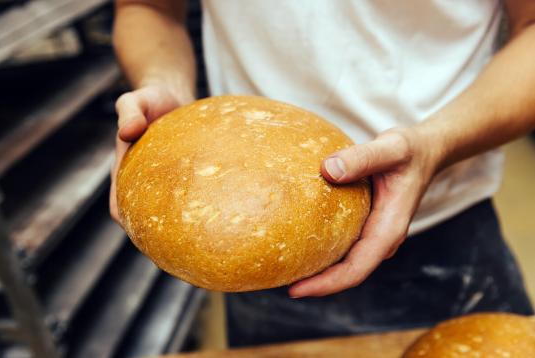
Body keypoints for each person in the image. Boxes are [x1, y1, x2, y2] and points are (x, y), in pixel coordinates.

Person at [111, 0, 535, 347]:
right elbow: (146, 8)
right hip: (269, 255)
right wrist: (163, 87)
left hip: (450, 227)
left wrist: (436, 143)